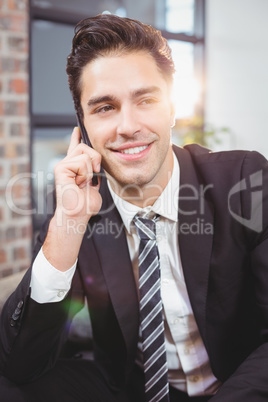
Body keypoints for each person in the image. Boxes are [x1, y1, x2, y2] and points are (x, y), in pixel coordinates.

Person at [1, 13, 268, 402]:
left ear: (173, 108)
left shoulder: (245, 180)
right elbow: (20, 362)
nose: (127, 126)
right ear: (84, 127)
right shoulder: (78, 204)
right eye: (105, 108)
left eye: (146, 99)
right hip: (131, 390)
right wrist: (69, 224)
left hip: (237, 386)